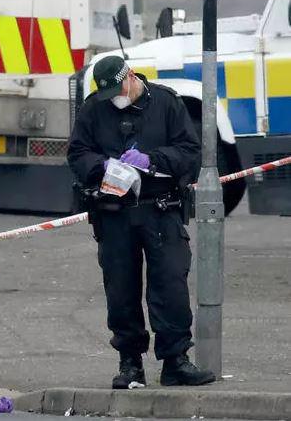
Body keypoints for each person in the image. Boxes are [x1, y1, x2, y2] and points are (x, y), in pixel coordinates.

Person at [68, 55, 216, 389]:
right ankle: (130, 364)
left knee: (170, 284)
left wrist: (152, 161)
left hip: (159, 208)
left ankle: (176, 360)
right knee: (121, 289)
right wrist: (103, 166)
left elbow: (190, 152)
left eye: (117, 91)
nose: (114, 101)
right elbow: (77, 154)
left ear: (131, 77)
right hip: (114, 212)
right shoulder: (95, 108)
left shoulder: (165, 103)